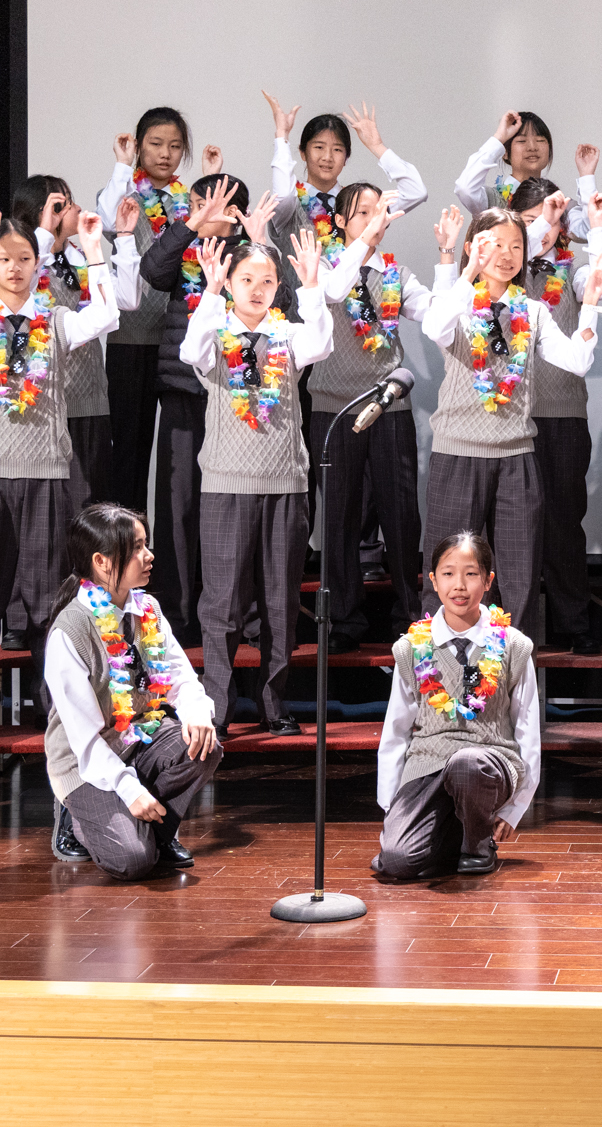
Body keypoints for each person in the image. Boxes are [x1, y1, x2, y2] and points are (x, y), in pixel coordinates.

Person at [0, 207, 119, 739]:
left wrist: (94, 252)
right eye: (4, 259)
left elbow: (105, 316)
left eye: (24, 258)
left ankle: (52, 704)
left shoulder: (57, 320)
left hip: (45, 472)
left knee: (46, 598)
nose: (15, 268)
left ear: (38, 264)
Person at [418, 202, 602, 632]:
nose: (506, 255)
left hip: (516, 456)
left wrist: (590, 303)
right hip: (457, 454)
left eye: (515, 246)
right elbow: (434, 328)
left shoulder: (534, 310)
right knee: (451, 569)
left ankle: (514, 670)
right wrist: (467, 273)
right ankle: (441, 668)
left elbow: (577, 361)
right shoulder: (457, 302)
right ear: (473, 248)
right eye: (494, 245)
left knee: (519, 576)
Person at [179, 230, 332, 734]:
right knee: (222, 604)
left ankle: (274, 705)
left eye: (267, 281)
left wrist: (311, 285)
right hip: (225, 485)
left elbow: (322, 343)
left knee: (280, 604)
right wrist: (210, 290)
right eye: (246, 279)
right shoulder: (214, 333)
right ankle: (218, 709)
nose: (257, 289)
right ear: (230, 283)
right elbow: (190, 350)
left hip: (285, 484)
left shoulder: (290, 336)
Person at [136, 175, 282, 641]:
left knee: (240, 506)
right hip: (184, 393)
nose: (199, 210)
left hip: (240, 397)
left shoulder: (251, 259)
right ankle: (177, 617)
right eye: (195, 203)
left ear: (235, 212)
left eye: (210, 204)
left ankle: (247, 617)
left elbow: (286, 303)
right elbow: (151, 272)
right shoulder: (185, 249)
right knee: (178, 508)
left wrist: (259, 242)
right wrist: (189, 226)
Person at [42, 502, 220, 878]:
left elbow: (180, 676)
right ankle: (75, 815)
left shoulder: (146, 608)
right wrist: (129, 789)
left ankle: (156, 832)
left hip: (137, 737)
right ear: (102, 562)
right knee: (132, 861)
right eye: (137, 548)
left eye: (145, 544)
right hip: (86, 760)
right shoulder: (70, 632)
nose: (149, 555)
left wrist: (196, 712)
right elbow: (85, 741)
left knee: (204, 746)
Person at [374, 531, 542, 879]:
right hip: (428, 766)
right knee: (397, 860)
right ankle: (455, 832)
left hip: (489, 763)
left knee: (467, 762)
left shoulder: (512, 646)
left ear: (488, 580)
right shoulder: (412, 648)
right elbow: (395, 731)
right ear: (434, 581)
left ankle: (477, 843)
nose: (459, 585)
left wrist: (516, 808)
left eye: (471, 574)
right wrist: (392, 807)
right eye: (448, 573)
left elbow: (527, 730)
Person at [306, 184, 429, 647]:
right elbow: (335, 290)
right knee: (338, 518)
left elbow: (434, 314)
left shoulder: (396, 274)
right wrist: (363, 242)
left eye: (380, 212)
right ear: (339, 221)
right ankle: (344, 620)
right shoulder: (322, 265)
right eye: (362, 212)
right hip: (333, 407)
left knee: (401, 515)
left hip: (389, 405)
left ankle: (410, 615)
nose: (374, 220)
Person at [93, 107, 222, 513]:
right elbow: (106, 220)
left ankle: (172, 542)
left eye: (175, 146)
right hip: (131, 338)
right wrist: (121, 164)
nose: (165, 154)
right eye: (155, 144)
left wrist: (210, 180)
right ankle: (125, 538)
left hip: (179, 342)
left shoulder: (189, 201)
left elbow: (215, 234)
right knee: (128, 446)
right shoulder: (124, 193)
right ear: (139, 146)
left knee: (181, 452)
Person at [514, 175, 602, 654]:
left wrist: (595, 226)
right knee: (513, 526)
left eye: (551, 219)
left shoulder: (571, 269)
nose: (545, 227)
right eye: (531, 220)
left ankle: (574, 623)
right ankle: (512, 627)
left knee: (564, 522)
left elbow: (599, 288)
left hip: (564, 414)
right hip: (510, 416)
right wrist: (536, 226)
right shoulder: (506, 269)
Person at [12, 175, 143, 512]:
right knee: (50, 510)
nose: (78, 208)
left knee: (92, 507)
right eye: (66, 203)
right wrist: (44, 229)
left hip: (91, 403)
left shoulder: (79, 256)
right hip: (46, 407)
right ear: (45, 211)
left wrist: (124, 237)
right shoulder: (21, 263)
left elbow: (128, 300)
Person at [263, 92, 430, 248]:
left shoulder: (361, 202)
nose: (327, 157)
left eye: (337, 149)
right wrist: (282, 136)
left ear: (346, 158)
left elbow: (415, 192)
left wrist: (377, 146)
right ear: (302, 152)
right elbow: (283, 194)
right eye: (319, 147)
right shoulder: (290, 203)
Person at [455, 110, 597, 237]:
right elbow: (465, 188)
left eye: (540, 140)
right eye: (522, 141)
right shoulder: (493, 201)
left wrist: (586, 176)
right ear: (505, 152)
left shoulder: (559, 204)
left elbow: (589, 231)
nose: (532, 147)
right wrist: (499, 138)